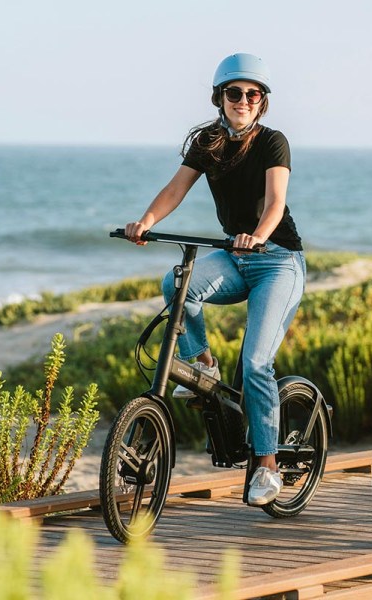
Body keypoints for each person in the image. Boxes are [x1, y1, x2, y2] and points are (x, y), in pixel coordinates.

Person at [124, 53, 305, 507]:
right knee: (176, 285)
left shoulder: (272, 142)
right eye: (234, 93)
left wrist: (258, 237)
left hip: (277, 259)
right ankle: (202, 363)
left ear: (262, 101)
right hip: (234, 255)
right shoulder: (208, 141)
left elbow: (275, 202)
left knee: (257, 361)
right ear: (219, 97)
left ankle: (266, 464)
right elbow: (176, 188)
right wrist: (145, 221)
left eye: (252, 94)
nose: (242, 100)